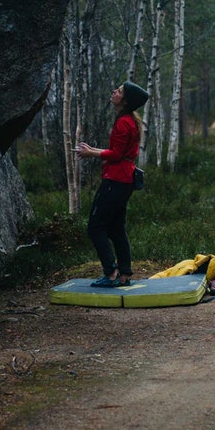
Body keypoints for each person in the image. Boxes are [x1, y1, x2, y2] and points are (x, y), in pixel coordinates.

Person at [75, 81, 149, 287]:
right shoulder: (128, 120)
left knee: (95, 227)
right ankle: (124, 274)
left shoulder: (124, 122)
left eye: (119, 91)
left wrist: (91, 153)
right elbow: (119, 152)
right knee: (116, 228)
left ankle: (111, 273)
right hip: (123, 180)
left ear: (124, 101)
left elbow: (116, 155)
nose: (114, 92)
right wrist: (93, 150)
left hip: (115, 181)